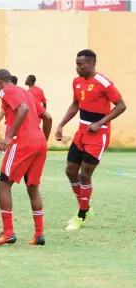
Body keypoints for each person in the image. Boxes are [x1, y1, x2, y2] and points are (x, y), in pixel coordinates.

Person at [55, 49, 126, 230]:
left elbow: (121, 105)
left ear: (91, 64)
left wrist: (100, 122)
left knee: (85, 175)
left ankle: (81, 215)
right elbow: (76, 105)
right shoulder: (77, 82)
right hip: (81, 132)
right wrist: (61, 124)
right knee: (71, 170)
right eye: (76, 64)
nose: (77, 68)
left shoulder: (104, 83)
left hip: (98, 134)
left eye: (80, 64)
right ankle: (86, 208)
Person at [0, 69, 52, 246]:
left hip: (22, 142)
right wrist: (43, 141)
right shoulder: (27, 93)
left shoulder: (5, 90)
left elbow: (22, 109)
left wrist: (9, 136)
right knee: (32, 186)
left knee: (4, 182)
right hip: (39, 141)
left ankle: (8, 232)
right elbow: (47, 117)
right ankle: (39, 233)